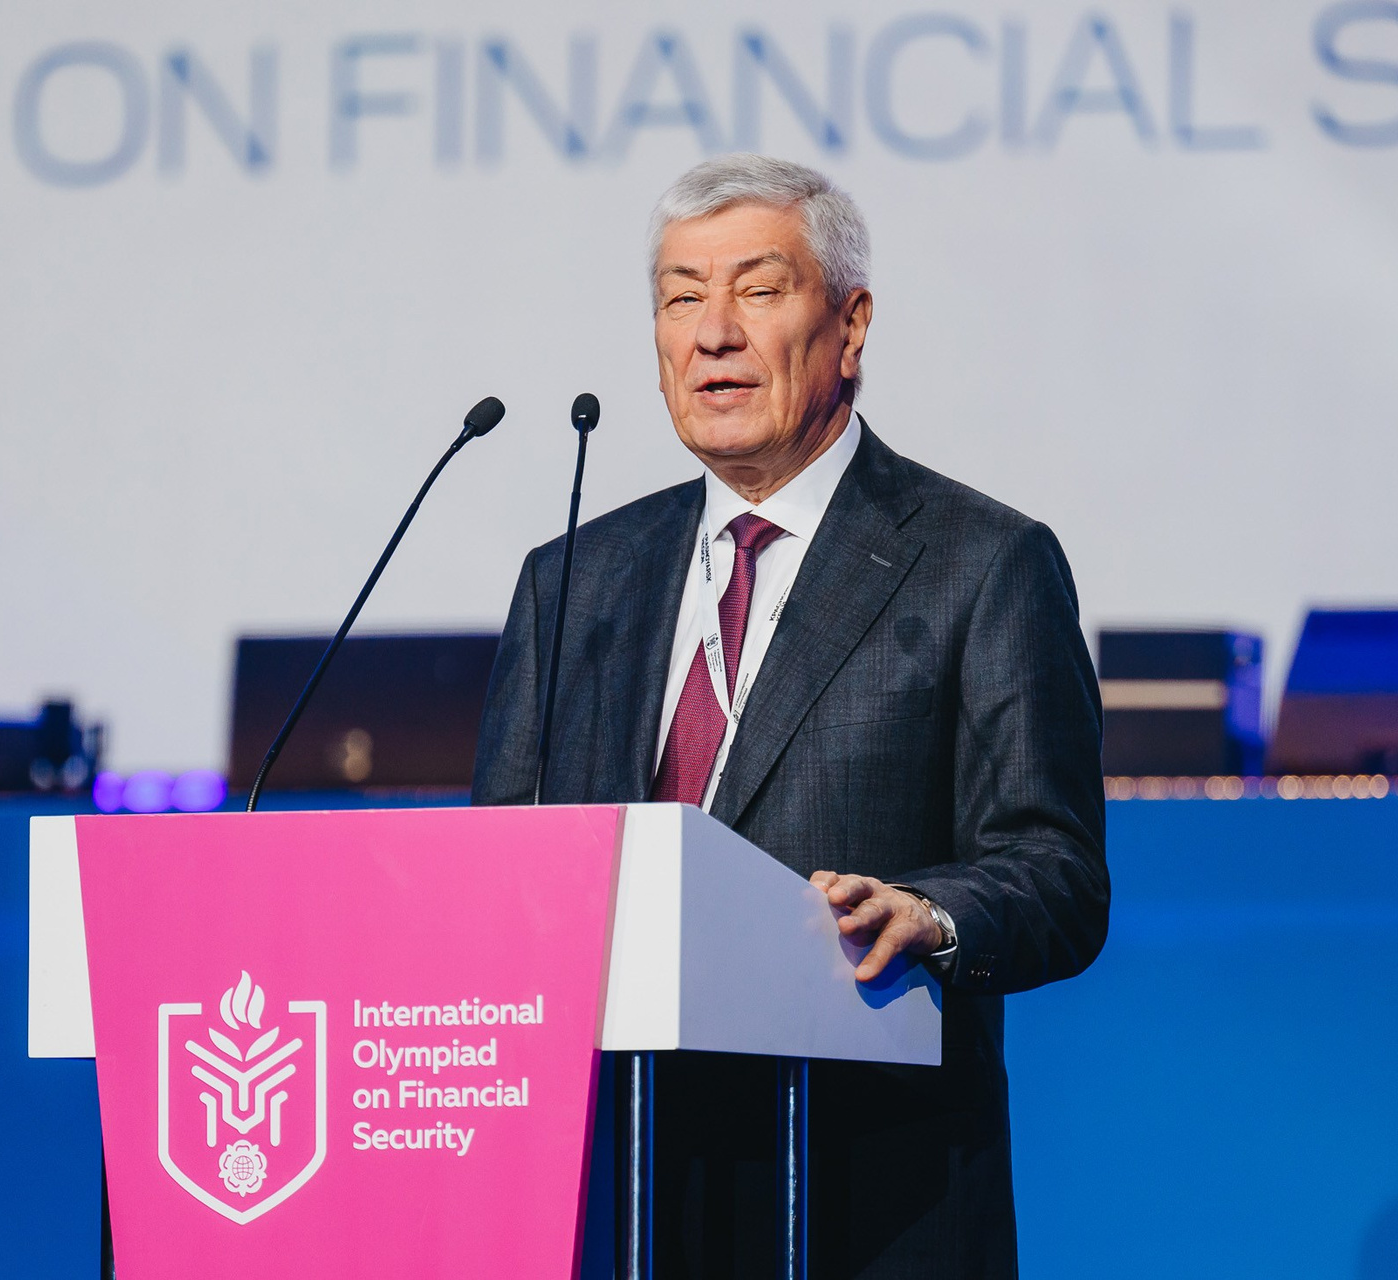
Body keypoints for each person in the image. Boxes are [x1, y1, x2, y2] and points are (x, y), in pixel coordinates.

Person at [472, 154, 1109, 1279]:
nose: (713, 333)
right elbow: (496, 876)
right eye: (681, 297)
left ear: (850, 327)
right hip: (611, 1199)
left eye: (758, 291)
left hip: (864, 1196)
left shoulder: (981, 562)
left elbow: (1056, 870)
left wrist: (928, 913)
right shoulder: (573, 579)